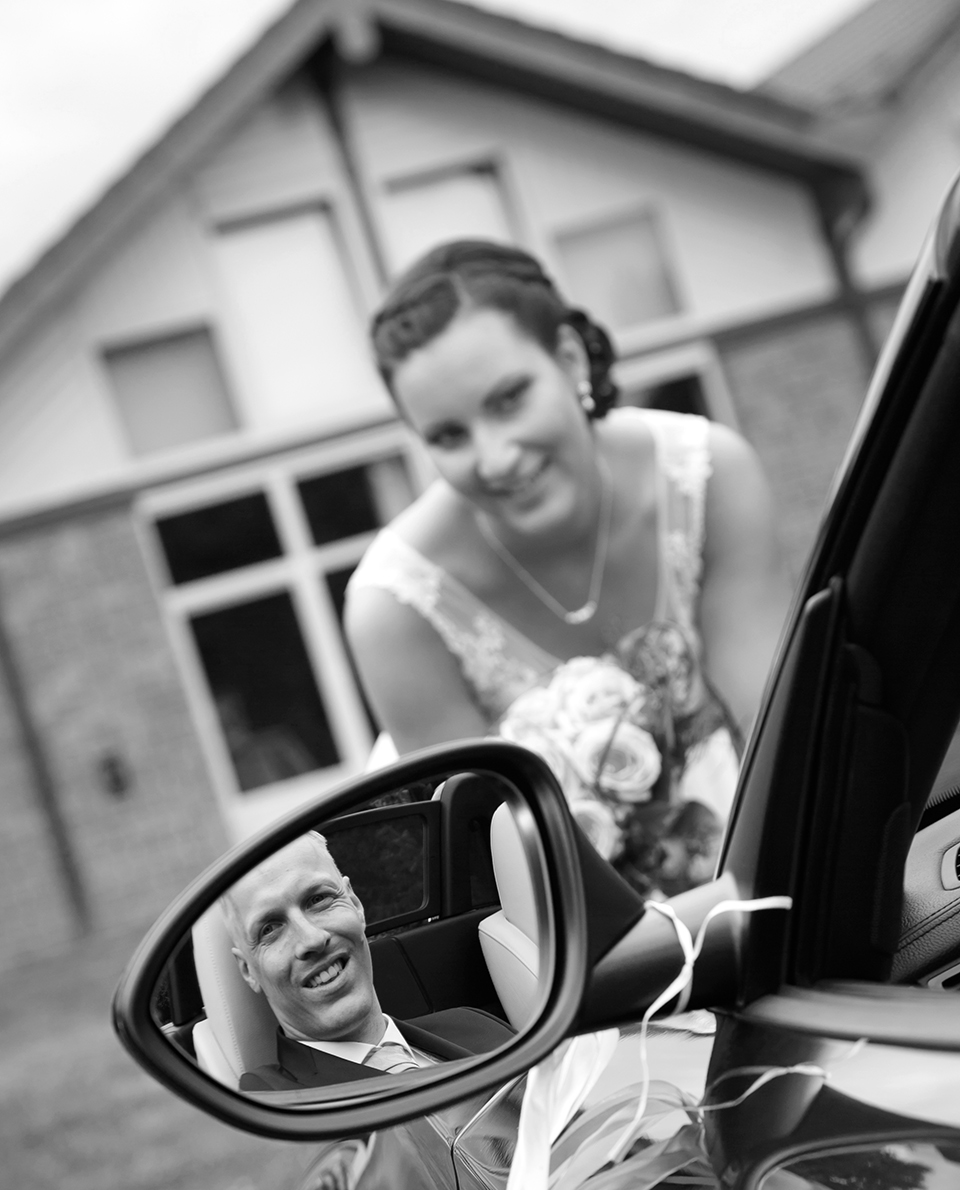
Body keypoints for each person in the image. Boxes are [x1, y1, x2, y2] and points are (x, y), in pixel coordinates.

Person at [345, 240, 789, 896]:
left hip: (755, 861)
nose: (494, 458)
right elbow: (490, 865)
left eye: (508, 399)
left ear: (570, 359)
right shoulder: (395, 608)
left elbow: (777, 733)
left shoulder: (708, 475)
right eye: (448, 436)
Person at [221, 831, 513, 1090]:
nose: (311, 939)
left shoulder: (473, 1024)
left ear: (356, 905)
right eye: (270, 929)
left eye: (318, 899)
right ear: (248, 971)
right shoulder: (269, 1109)